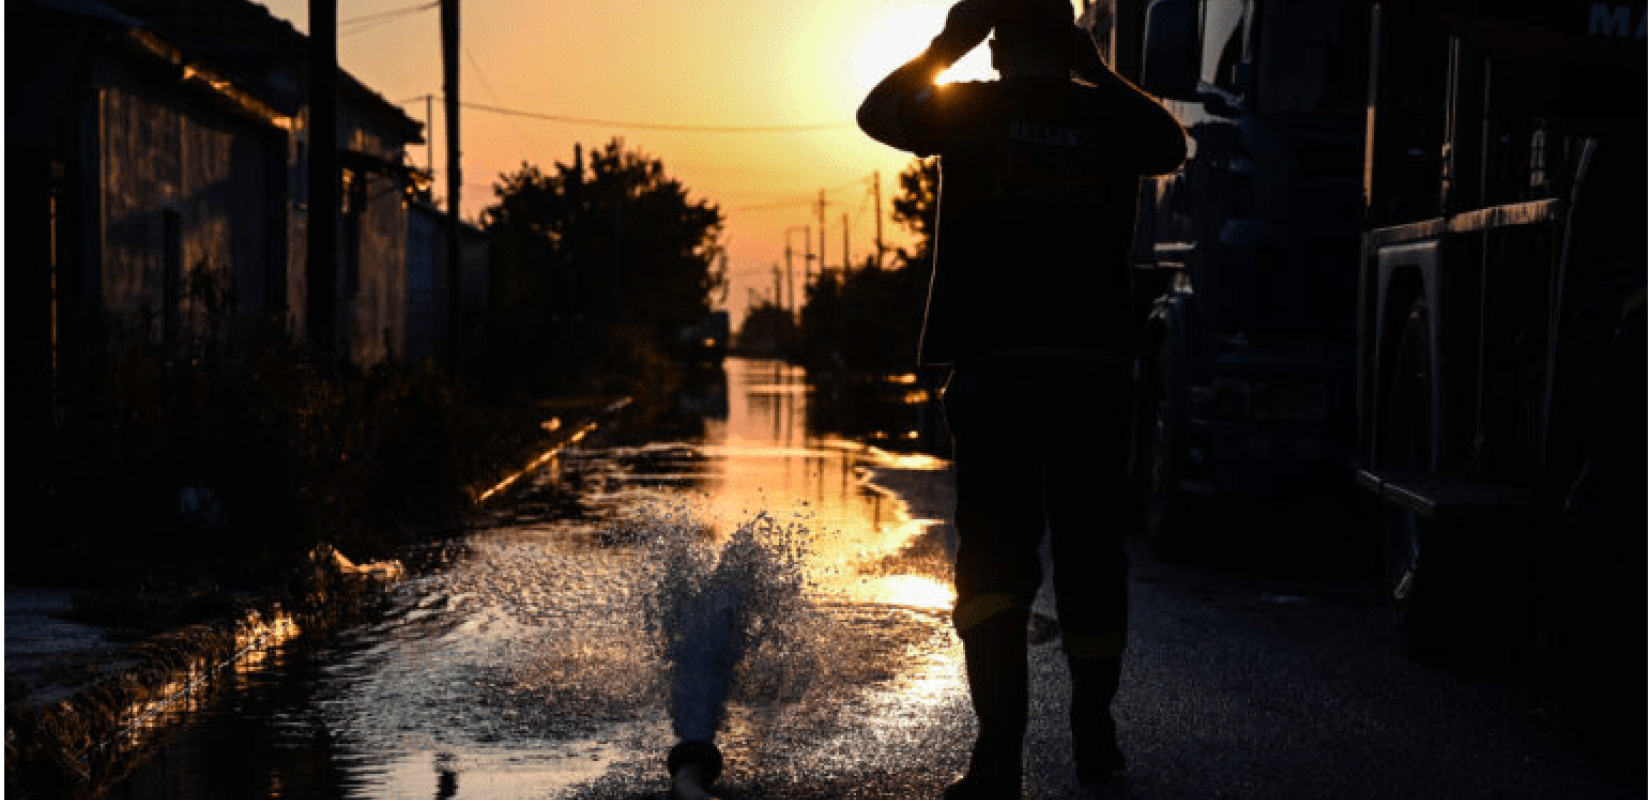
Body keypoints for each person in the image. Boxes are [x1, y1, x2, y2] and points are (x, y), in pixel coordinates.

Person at [857, 1, 1186, 797]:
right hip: (1091, 375)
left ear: (996, 48)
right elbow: (1173, 144)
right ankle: (1093, 733)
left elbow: (875, 114)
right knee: (1091, 558)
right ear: (1070, 45)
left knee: (995, 564)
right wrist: (1099, 72)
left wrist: (945, 46)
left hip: (996, 371)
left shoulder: (968, 108)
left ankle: (998, 755)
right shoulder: (1108, 116)